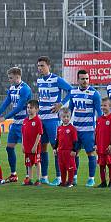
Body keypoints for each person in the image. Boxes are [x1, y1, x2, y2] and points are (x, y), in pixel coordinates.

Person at [36, 57, 72, 185]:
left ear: (48, 66)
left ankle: (59, 176)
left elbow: (70, 90)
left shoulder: (56, 79)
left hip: (52, 119)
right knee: (43, 147)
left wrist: (61, 104)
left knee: (56, 147)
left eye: (42, 65)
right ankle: (44, 176)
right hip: (41, 118)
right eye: (39, 66)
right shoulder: (39, 80)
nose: (40, 68)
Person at [0, 67, 32, 184]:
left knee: (26, 150)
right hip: (16, 123)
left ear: (17, 76)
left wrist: (4, 118)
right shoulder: (11, 89)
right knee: (9, 148)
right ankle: (13, 175)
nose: (9, 80)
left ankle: (28, 176)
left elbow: (20, 107)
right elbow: (6, 103)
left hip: (25, 123)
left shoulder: (25, 89)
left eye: (11, 78)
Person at [67, 70, 102, 187]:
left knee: (90, 153)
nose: (85, 81)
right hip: (76, 129)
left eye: (87, 78)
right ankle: (74, 177)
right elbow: (70, 110)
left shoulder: (94, 94)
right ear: (78, 80)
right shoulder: (72, 92)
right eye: (82, 79)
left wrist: (100, 127)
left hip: (88, 130)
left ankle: (91, 178)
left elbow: (99, 112)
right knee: (74, 153)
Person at [95, 97, 111, 188]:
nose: (103, 107)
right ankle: (103, 182)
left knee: (110, 164)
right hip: (100, 147)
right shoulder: (100, 119)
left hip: (109, 147)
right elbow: (96, 133)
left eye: (105, 105)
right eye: (102, 105)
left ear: (110, 106)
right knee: (101, 165)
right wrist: (95, 144)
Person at [55, 107, 79, 188]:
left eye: (67, 117)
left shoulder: (72, 129)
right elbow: (57, 140)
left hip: (69, 151)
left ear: (70, 117)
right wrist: (55, 148)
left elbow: (75, 141)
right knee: (62, 167)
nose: (66, 118)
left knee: (70, 167)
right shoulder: (59, 128)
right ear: (60, 117)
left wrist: (74, 150)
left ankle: (70, 182)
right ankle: (63, 181)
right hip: (61, 151)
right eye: (64, 117)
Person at [21, 100, 43, 186]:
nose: (29, 109)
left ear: (37, 109)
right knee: (29, 163)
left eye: (31, 108)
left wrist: (35, 145)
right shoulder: (25, 121)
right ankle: (30, 179)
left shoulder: (38, 121)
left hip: (35, 147)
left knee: (37, 162)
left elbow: (39, 134)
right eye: (28, 108)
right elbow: (23, 134)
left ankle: (38, 179)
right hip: (27, 146)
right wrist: (22, 144)